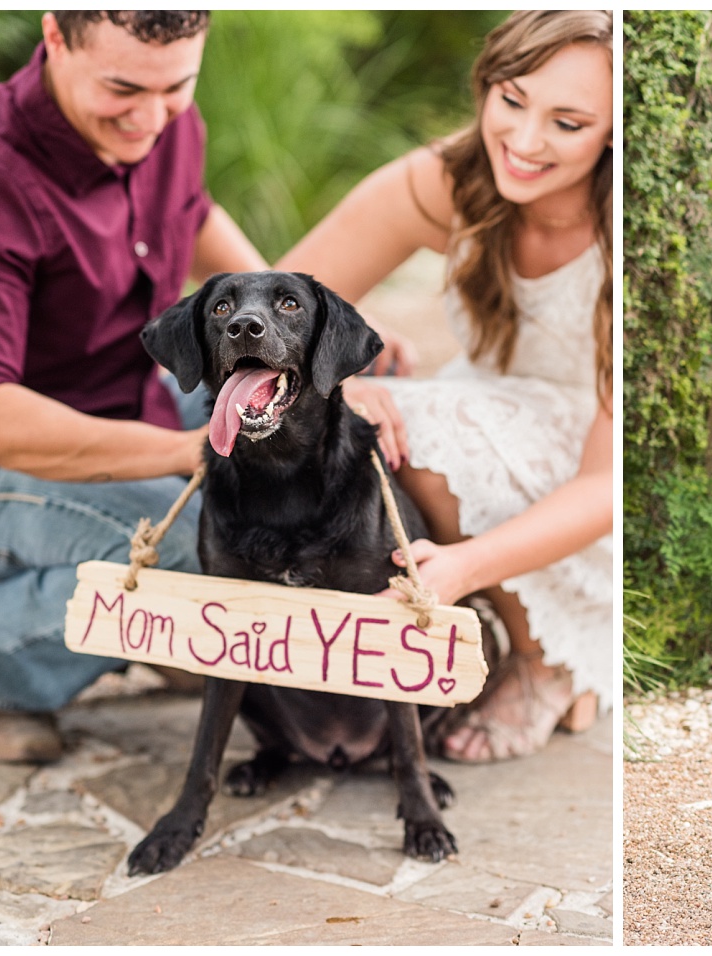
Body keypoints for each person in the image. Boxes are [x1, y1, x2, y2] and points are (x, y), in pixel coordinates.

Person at [277, 10, 614, 763]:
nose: (525, 143)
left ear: (614, 132)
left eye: (567, 122)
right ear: (486, 85)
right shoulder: (446, 178)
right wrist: (339, 376)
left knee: (427, 424)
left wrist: (465, 566)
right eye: (513, 100)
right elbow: (284, 300)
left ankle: (545, 661)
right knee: (362, 418)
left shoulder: (630, 238)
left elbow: (607, 483)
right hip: (493, 403)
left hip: (592, 456)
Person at [0, 11, 268, 762]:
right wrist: (187, 454)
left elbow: (193, 209)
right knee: (207, 538)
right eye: (122, 89)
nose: (151, 118)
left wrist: (289, 324)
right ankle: (0, 676)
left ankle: (159, 624)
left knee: (317, 420)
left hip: (127, 398)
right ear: (53, 36)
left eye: (176, 87)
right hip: (8, 455)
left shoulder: (164, 114)